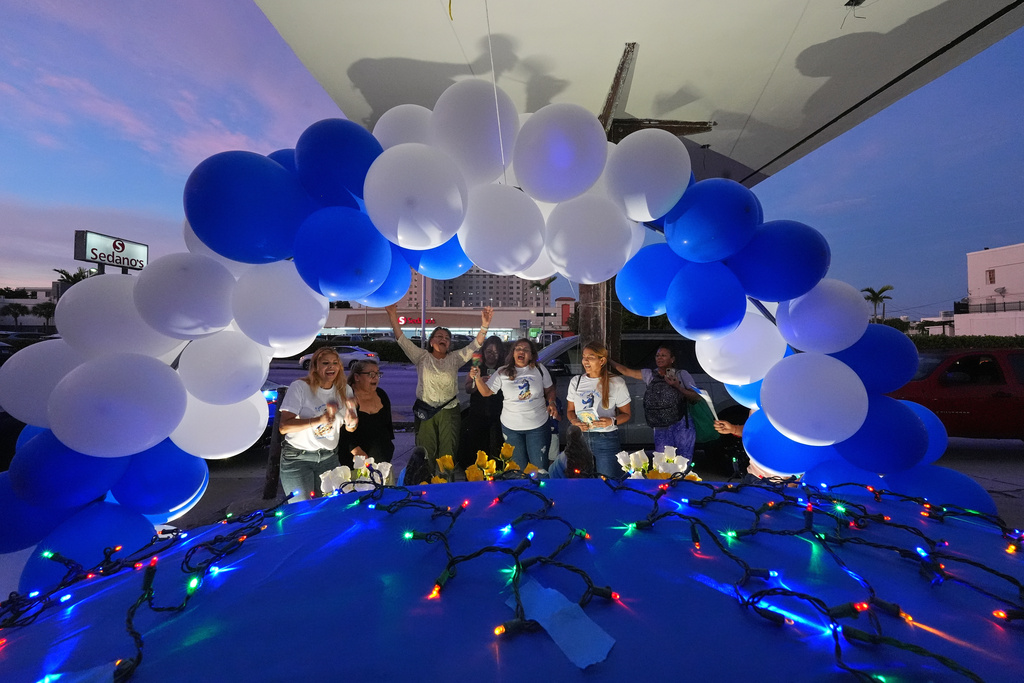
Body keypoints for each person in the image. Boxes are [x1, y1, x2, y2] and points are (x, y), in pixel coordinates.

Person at [385, 303, 494, 470]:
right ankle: (426, 487)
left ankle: (445, 487)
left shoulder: (455, 358)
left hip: (449, 411)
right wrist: (393, 314)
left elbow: (474, 346)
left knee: (448, 454)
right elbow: (401, 339)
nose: (443, 339)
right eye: (439, 336)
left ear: (450, 344)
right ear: (431, 341)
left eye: (447, 338)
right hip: (426, 411)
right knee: (426, 453)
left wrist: (485, 325)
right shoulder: (421, 357)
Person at [278, 347, 358, 502]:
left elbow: (350, 427)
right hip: (298, 458)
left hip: (329, 458)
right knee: (302, 512)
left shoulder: (344, 389)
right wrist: (318, 420)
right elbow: (284, 427)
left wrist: (352, 422)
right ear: (315, 367)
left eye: (335, 363)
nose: (331, 367)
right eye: (325, 363)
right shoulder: (300, 387)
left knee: (328, 508)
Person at [469, 338, 557, 470]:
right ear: (513, 353)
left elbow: (549, 390)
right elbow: (486, 392)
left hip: (538, 427)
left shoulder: (539, 369)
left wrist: (552, 402)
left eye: (526, 349)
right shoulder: (502, 371)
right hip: (511, 429)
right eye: (518, 349)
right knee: (518, 469)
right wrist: (477, 378)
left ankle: (540, 490)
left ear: (532, 355)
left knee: (539, 469)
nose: (521, 351)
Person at [610, 345, 701, 460]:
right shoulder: (650, 374)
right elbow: (627, 371)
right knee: (663, 461)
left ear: (672, 359)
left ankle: (682, 478)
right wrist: (607, 359)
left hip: (681, 424)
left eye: (663, 355)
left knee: (683, 460)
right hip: (660, 424)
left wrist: (677, 386)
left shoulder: (681, 374)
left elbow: (696, 397)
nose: (659, 358)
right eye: (657, 355)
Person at [565, 341, 631, 479]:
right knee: (580, 481)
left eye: (591, 357)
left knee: (607, 481)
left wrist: (611, 421)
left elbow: (626, 414)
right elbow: (570, 411)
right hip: (580, 438)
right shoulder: (576, 381)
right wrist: (574, 421)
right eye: (584, 357)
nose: (585, 361)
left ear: (602, 360)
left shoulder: (616, 382)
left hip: (605, 438)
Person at [459, 335, 505, 466]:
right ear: (484, 351)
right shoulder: (477, 366)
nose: (492, 355)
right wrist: (479, 381)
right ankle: (477, 472)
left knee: (499, 445)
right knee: (478, 446)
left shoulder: (504, 369)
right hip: (478, 411)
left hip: (499, 412)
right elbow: (468, 388)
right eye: (489, 351)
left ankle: (497, 472)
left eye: (496, 352)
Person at [344, 359, 395, 467]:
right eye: (371, 374)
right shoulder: (348, 396)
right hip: (357, 462)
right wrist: (355, 450)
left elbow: (388, 425)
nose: (375, 377)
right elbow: (342, 432)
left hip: (383, 460)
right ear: (357, 377)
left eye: (377, 373)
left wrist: (389, 447)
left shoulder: (381, 394)